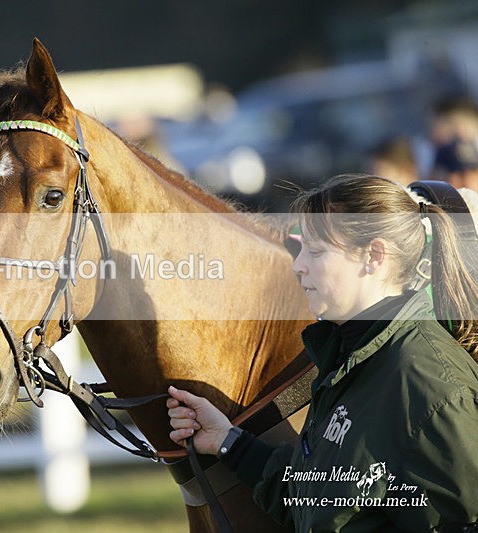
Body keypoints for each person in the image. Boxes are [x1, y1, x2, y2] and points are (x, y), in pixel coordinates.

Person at [167, 174, 478, 532]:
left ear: (374, 257)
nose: (298, 265)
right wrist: (226, 441)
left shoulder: (430, 386)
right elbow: (318, 501)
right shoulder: (349, 358)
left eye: (315, 252)